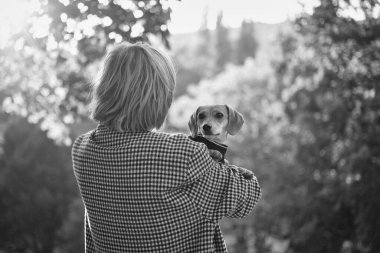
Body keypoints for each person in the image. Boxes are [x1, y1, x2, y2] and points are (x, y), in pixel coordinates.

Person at [72, 42, 261, 253]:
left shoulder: (82, 148)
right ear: (159, 97)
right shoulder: (184, 154)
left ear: (105, 88)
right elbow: (246, 198)